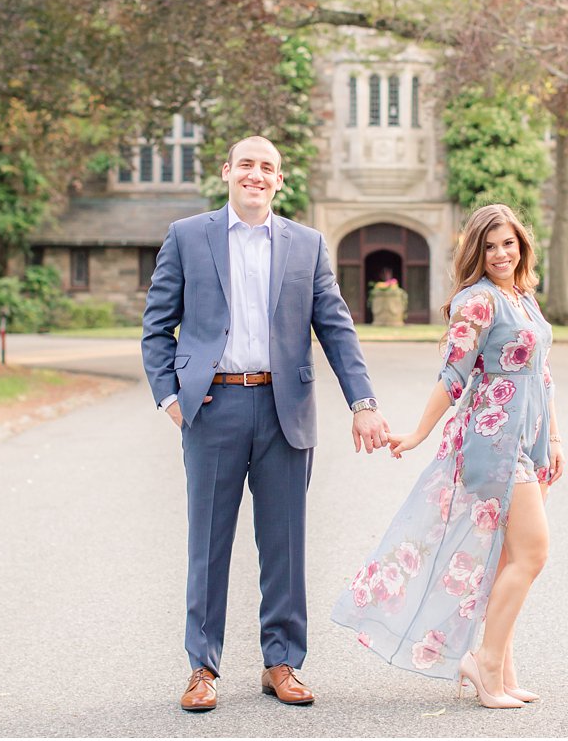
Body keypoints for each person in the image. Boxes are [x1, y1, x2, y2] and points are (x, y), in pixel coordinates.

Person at [142, 135, 391, 713]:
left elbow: (336, 327)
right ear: (228, 172)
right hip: (212, 409)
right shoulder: (187, 236)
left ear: (280, 181)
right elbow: (157, 325)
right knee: (208, 543)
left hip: (285, 412)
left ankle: (281, 662)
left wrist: (363, 402)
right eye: (247, 164)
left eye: (268, 168)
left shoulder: (307, 245)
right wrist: (169, 399)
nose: (257, 175)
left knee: (284, 543)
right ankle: (202, 667)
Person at [331, 203, 564, 708]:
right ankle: (484, 667)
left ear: (522, 245)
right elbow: (453, 376)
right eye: (490, 245)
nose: (501, 253)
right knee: (533, 554)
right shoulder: (478, 301)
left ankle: (500, 668)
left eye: (509, 243)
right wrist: (416, 433)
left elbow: (542, 374)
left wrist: (556, 439)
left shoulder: (522, 296)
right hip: (494, 443)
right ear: (476, 251)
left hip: (531, 440)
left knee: (506, 562)